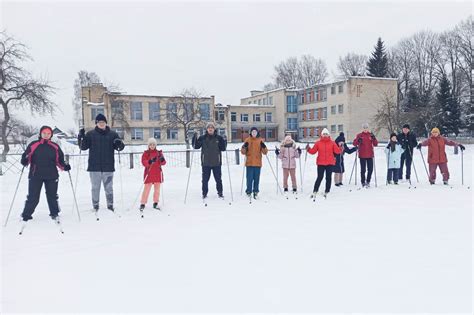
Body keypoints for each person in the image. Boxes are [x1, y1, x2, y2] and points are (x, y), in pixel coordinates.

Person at [20, 125, 70, 222]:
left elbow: (59, 161)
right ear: (40, 134)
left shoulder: (55, 146)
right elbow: (27, 155)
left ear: (51, 135)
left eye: (48, 133)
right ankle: (26, 214)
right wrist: (24, 160)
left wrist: (65, 166)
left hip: (51, 175)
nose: (46, 135)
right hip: (36, 175)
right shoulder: (34, 145)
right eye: (44, 133)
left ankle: (54, 213)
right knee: (33, 196)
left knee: (52, 195)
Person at [77, 113, 125, 212]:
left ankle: (110, 205)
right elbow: (83, 147)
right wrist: (80, 136)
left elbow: (120, 147)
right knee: (95, 188)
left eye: (103, 122)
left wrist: (119, 144)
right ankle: (95, 205)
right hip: (94, 167)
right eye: (99, 122)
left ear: (106, 123)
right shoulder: (90, 134)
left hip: (108, 166)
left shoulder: (113, 134)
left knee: (109, 188)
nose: (101, 123)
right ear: (96, 123)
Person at [192, 122, 227, 199]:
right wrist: (194, 137)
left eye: (212, 127)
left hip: (216, 163)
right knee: (205, 180)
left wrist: (225, 140)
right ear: (207, 129)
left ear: (214, 129)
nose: (210, 129)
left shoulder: (219, 138)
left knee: (218, 179)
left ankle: (220, 193)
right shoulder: (202, 138)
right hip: (206, 163)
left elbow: (223, 148)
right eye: (209, 127)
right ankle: (204, 193)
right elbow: (196, 146)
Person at [306, 128, 342, 197]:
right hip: (320, 163)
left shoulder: (332, 143)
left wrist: (341, 148)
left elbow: (337, 151)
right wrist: (308, 149)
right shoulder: (318, 143)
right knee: (320, 177)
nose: (325, 135)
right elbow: (313, 151)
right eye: (324, 134)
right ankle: (315, 190)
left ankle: (327, 190)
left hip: (330, 163)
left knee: (328, 177)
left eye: (326, 134)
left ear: (328, 135)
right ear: (322, 135)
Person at [241, 127, 268, 199]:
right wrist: (244, 147)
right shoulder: (247, 140)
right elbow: (243, 152)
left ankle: (256, 191)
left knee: (256, 179)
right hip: (249, 163)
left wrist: (264, 146)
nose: (254, 133)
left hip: (257, 163)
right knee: (249, 179)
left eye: (255, 132)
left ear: (257, 133)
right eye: (252, 132)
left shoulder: (260, 140)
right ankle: (248, 191)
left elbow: (265, 152)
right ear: (250, 133)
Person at [140, 138, 166, 210]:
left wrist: (162, 159)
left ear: (155, 145)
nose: (152, 146)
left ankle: (155, 202)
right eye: (150, 144)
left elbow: (163, 163)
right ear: (148, 145)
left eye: (153, 144)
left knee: (157, 189)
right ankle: (143, 203)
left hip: (157, 173)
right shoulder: (146, 153)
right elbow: (143, 162)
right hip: (149, 173)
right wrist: (150, 161)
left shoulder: (159, 153)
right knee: (146, 189)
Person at [353, 123, 378, 188]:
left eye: (366, 127)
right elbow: (354, 143)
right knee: (363, 170)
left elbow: (375, 144)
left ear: (368, 128)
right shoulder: (359, 135)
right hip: (362, 155)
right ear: (362, 128)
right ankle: (363, 181)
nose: (365, 129)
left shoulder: (371, 135)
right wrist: (358, 141)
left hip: (370, 155)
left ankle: (368, 181)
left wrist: (374, 138)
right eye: (364, 128)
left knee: (370, 169)